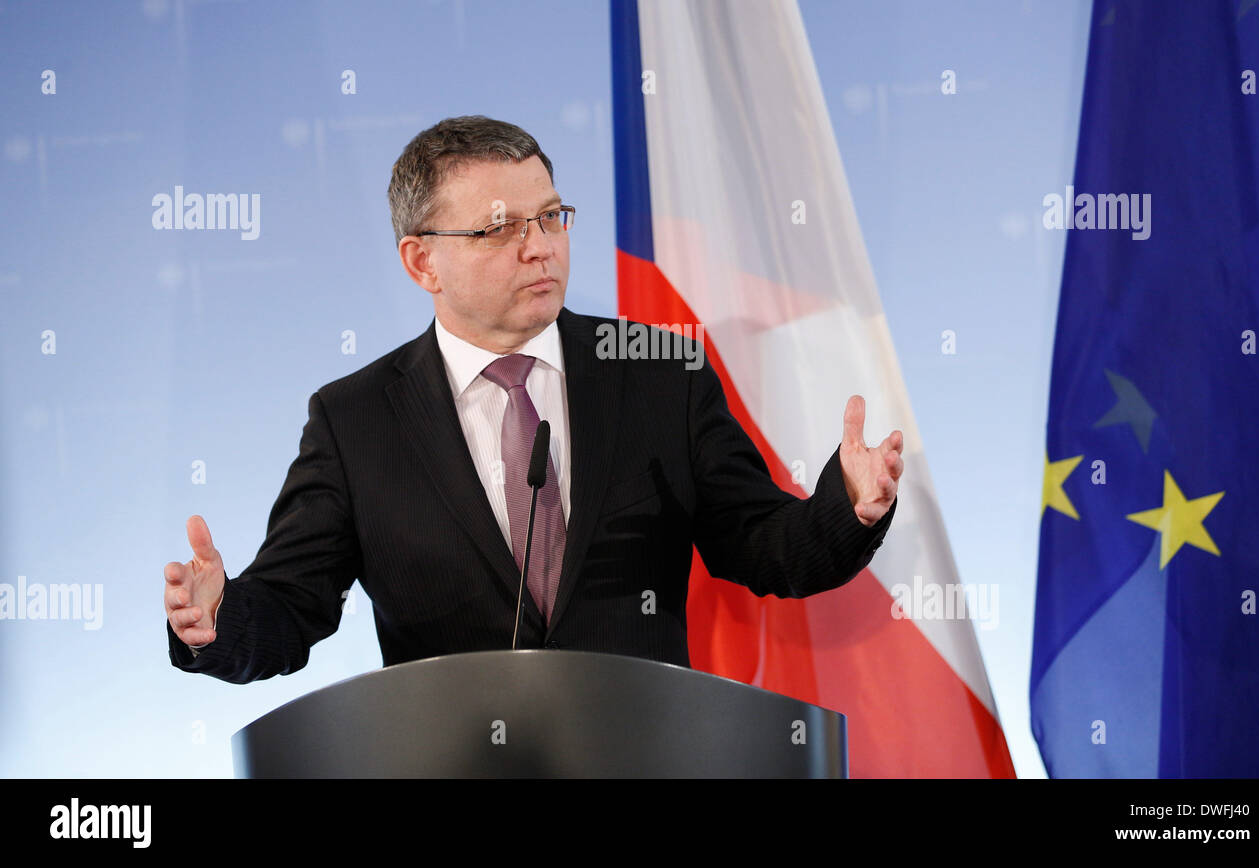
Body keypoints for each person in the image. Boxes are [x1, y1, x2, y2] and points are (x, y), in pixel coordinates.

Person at [162, 115, 903, 683]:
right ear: (423, 261)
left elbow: (764, 548)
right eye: (499, 229)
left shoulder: (657, 371)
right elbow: (292, 608)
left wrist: (847, 501)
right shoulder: (355, 421)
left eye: (551, 217)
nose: (540, 246)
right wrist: (217, 616)